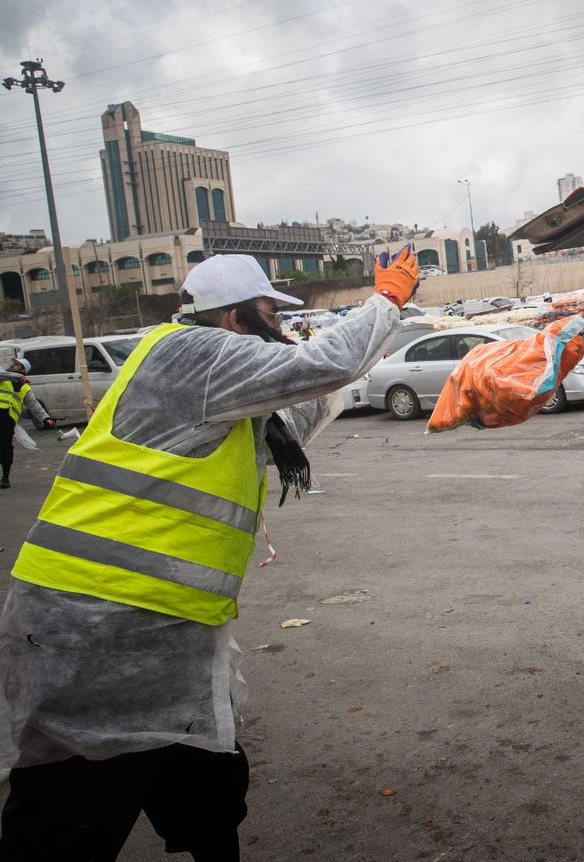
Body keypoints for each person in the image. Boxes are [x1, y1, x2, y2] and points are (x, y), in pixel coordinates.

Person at [0, 246, 418, 861]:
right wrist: (386, 301)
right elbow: (323, 362)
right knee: (73, 806)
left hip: (167, 636)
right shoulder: (188, 353)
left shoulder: (219, 387)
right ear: (233, 318)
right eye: (270, 312)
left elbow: (305, 402)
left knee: (206, 790)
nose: (280, 324)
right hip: (89, 627)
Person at [1, 357, 56, 489]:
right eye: (13, 364)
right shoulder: (4, 377)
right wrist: (17, 377)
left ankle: (5, 478)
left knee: (6, 448)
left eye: (17, 365)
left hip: (7, 419)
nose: (13, 365)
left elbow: (33, 404)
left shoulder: (24, 387)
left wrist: (45, 418)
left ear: (23, 370)